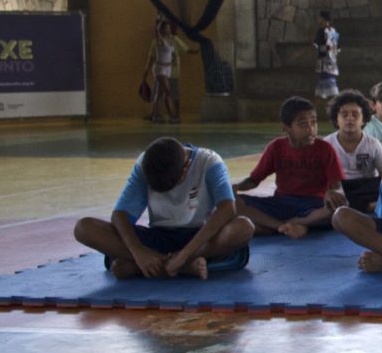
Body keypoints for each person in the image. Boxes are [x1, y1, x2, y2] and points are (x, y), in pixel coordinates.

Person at [74, 137, 253, 279]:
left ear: (184, 170)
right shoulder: (145, 163)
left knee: (243, 228)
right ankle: (178, 268)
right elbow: (121, 215)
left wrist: (185, 253)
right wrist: (139, 252)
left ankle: (149, 268)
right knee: (84, 228)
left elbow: (227, 209)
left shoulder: (209, 162)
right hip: (158, 236)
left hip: (200, 238)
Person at [234, 96, 346, 238]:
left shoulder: (325, 149)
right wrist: (235, 188)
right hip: (282, 203)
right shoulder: (276, 148)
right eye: (303, 124)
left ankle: (275, 226)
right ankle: (284, 226)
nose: (311, 129)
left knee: (337, 210)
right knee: (231, 203)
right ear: (286, 128)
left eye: (313, 122)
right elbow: (254, 180)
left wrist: (332, 193)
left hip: (313, 205)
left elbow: (337, 186)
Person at [324, 90, 382, 212]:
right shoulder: (326, 144)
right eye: (344, 115)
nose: (350, 119)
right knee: (327, 194)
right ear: (336, 119)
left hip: (367, 188)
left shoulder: (373, 144)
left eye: (355, 114)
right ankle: (369, 207)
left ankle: (354, 206)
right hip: (340, 188)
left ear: (363, 119)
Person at [144, 18, 193, 124]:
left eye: (169, 27)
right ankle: (172, 116)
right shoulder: (159, 40)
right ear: (162, 29)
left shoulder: (172, 39)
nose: (168, 29)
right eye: (166, 28)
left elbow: (173, 53)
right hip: (160, 69)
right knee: (167, 91)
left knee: (160, 93)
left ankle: (156, 116)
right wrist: (159, 22)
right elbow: (157, 32)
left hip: (168, 68)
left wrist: (174, 59)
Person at [313, 11, 340, 102]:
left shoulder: (323, 31)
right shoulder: (333, 31)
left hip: (325, 61)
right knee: (326, 85)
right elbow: (337, 48)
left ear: (323, 19)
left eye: (319, 18)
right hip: (330, 61)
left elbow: (316, 45)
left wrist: (299, 53)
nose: (318, 19)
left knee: (329, 86)